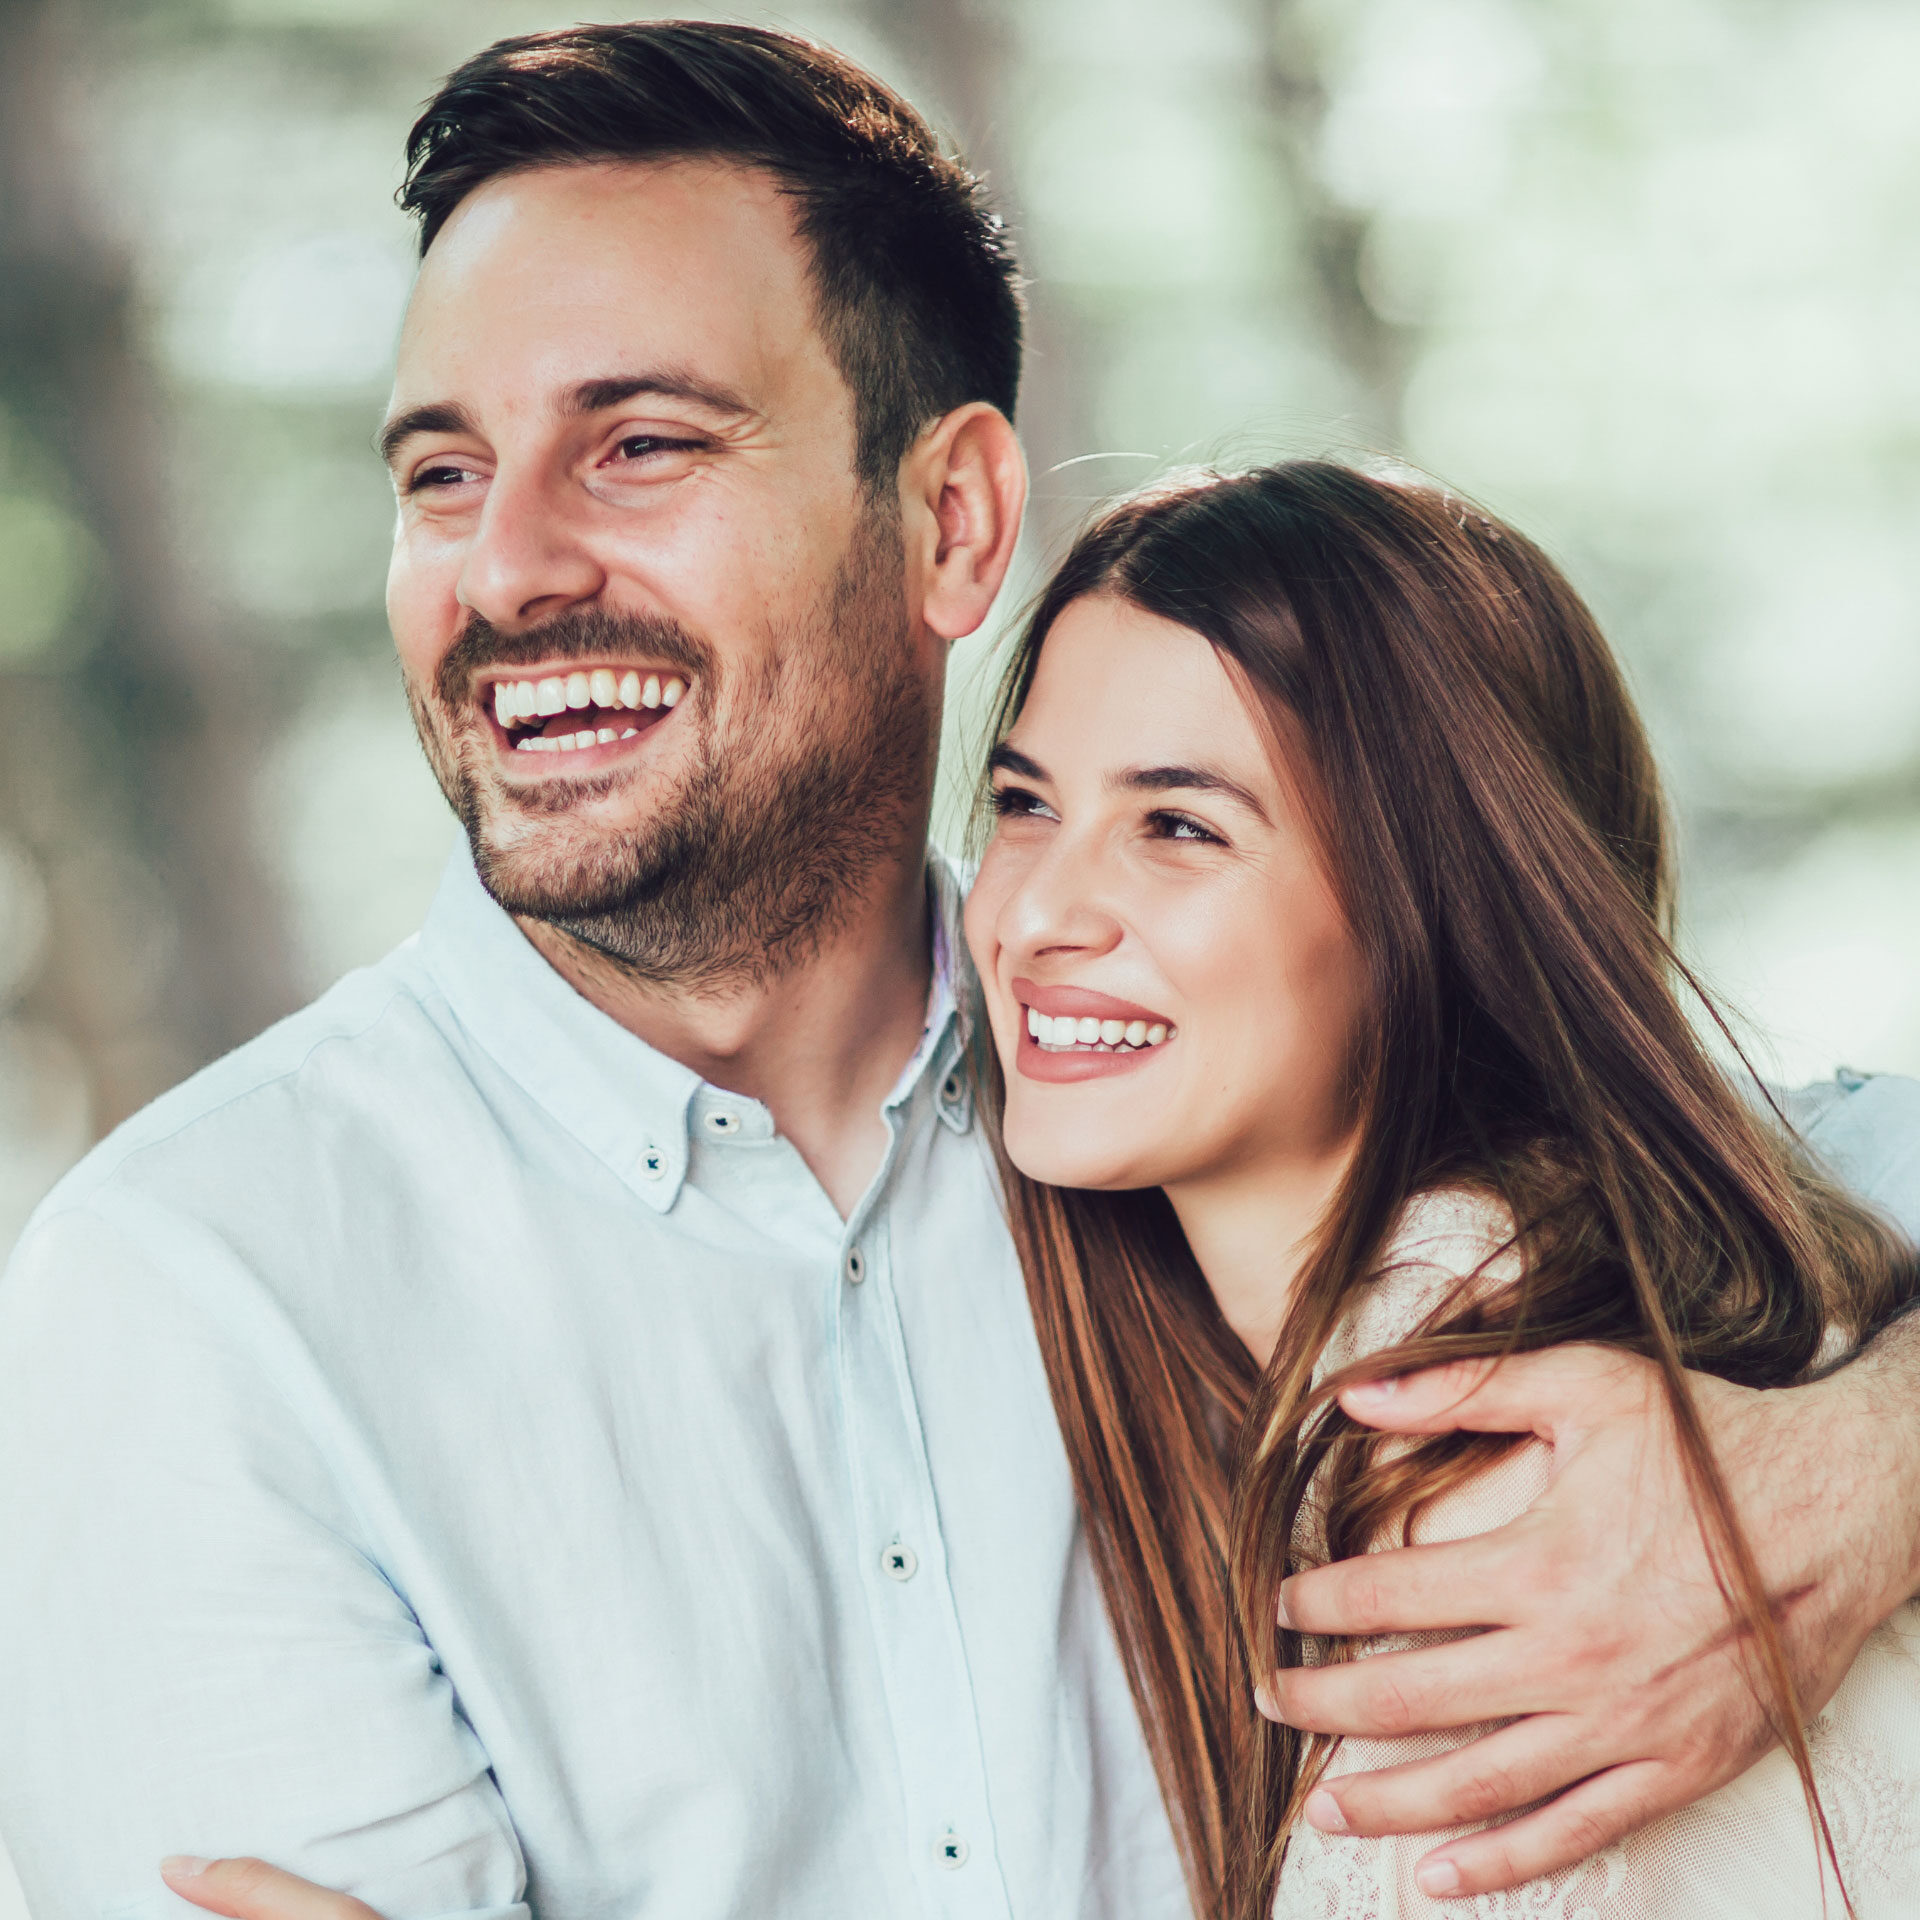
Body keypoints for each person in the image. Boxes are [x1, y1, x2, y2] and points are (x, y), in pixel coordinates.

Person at [0, 20, 1915, 1920]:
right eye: (439, 476)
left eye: (640, 444)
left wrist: (1840, 1487)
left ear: (953, 518)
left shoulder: (1236, 1122)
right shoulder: (195, 1306)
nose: (506, 568)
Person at [960, 460, 1920, 1916]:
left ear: (1433, 902)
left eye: (1178, 827)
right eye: (1024, 803)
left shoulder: (1487, 1457)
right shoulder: (1569, 1284)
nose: (1031, 914)